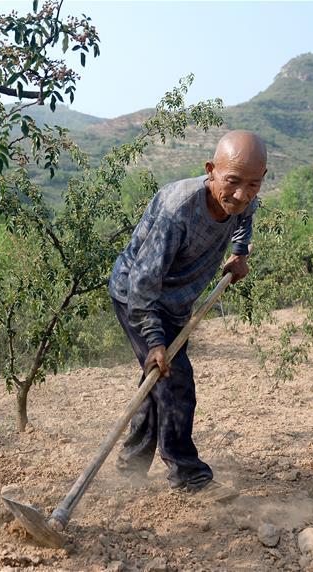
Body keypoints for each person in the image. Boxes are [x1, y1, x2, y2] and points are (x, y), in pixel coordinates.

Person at [108, 130, 267, 497]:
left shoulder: (244, 198)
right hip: (138, 296)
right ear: (211, 170)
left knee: (157, 384)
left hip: (178, 301)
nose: (242, 194)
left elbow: (246, 215)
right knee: (175, 383)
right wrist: (154, 341)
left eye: (253, 184)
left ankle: (130, 466)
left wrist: (240, 253)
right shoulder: (178, 208)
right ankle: (188, 475)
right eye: (232, 183)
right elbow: (143, 284)